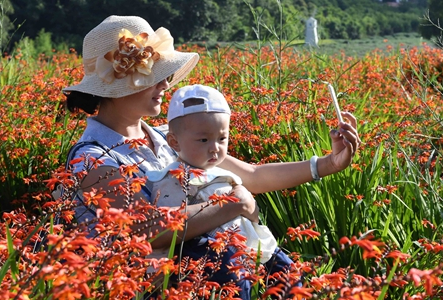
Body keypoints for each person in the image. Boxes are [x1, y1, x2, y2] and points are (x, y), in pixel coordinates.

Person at [62, 15, 361, 297]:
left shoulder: (167, 136)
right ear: (117, 86)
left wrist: (328, 163)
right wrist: (230, 206)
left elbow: (252, 175)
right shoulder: (92, 158)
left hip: (211, 273)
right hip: (158, 286)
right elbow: (144, 230)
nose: (165, 85)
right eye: (154, 77)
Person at [145, 84, 284, 297]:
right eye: (203, 140)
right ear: (174, 142)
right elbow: (167, 229)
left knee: (288, 275)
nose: (215, 148)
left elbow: (255, 176)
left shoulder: (216, 168)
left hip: (248, 248)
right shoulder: (172, 179)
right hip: (214, 256)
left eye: (222, 139)